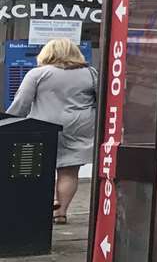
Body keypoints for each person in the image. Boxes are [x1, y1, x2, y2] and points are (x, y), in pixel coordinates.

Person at [7, 38, 98, 224]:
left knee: (41, 169)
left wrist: (10, 122)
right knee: (69, 172)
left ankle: (45, 205)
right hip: (80, 127)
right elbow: (102, 100)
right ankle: (61, 212)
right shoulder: (90, 73)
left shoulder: (38, 74)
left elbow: (21, 103)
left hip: (44, 126)